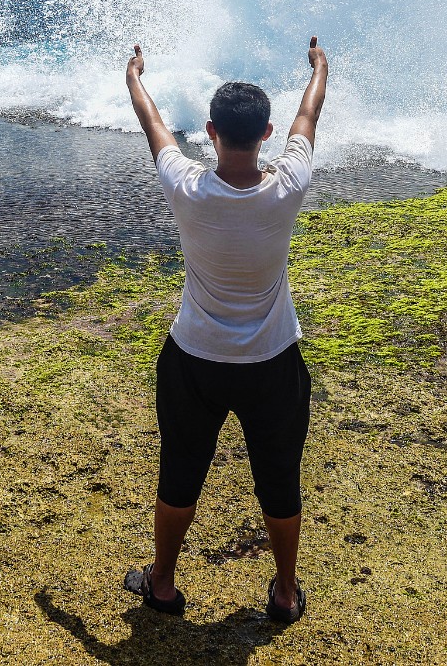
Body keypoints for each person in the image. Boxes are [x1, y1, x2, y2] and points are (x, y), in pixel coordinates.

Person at [119, 36, 329, 626]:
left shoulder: (186, 186)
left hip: (195, 359)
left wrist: (135, 74)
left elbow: (152, 121)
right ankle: (285, 594)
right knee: (280, 474)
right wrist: (319, 67)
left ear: (210, 131)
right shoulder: (288, 183)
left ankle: (162, 584)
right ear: (265, 135)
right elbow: (308, 115)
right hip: (271, 362)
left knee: (181, 467)